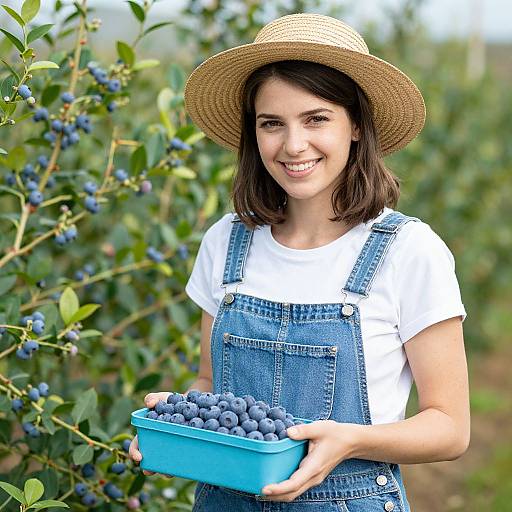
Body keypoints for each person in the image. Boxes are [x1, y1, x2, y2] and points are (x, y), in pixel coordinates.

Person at [129, 13, 470, 511]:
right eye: (272, 123)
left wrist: (350, 440)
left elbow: (450, 427)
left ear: (356, 125)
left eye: (316, 119)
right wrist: (178, 425)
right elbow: (210, 383)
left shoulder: (407, 251)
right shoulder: (226, 243)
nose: (293, 145)